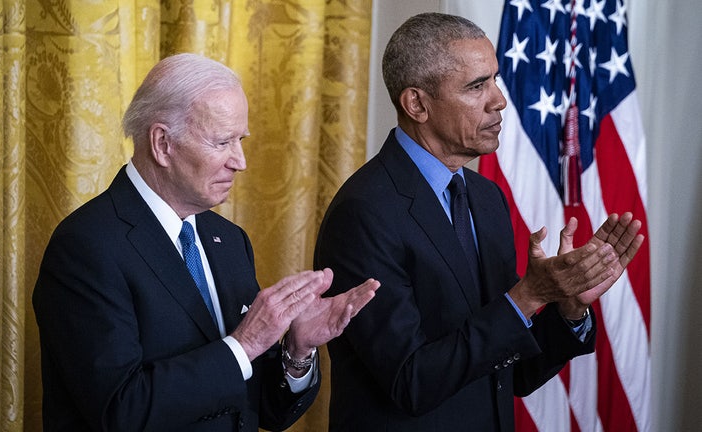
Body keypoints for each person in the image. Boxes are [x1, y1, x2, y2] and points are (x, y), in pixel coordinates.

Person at [313, 13, 644, 431]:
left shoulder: (486, 199)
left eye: (495, 79)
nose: (499, 100)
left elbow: (511, 373)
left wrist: (568, 309)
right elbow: (411, 381)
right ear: (417, 104)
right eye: (476, 86)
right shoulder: (363, 213)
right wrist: (527, 297)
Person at [32, 53, 379, 432]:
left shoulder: (229, 241)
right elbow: (121, 410)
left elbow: (262, 409)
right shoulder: (85, 246)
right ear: (163, 144)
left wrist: (296, 350)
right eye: (222, 142)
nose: (240, 161)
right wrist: (243, 345)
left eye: (240, 139)